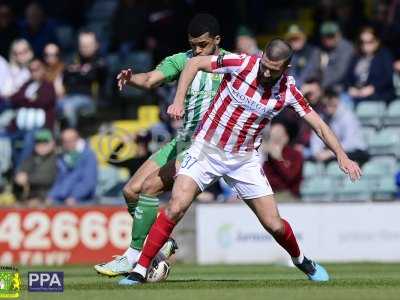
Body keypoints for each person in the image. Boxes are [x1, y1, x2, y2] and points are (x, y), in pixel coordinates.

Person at [123, 38, 362, 285]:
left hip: (243, 160)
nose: (266, 72)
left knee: (274, 225)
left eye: (274, 69)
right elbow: (194, 63)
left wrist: (342, 156)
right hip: (206, 150)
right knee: (175, 206)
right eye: (265, 65)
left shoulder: (289, 90)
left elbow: (320, 125)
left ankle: (302, 260)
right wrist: (178, 99)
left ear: (286, 68)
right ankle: (139, 270)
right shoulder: (242, 63)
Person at [94, 14, 228, 280]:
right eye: (194, 44)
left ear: (217, 40)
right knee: (131, 190)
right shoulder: (182, 59)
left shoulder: (230, 64)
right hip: (183, 141)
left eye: (203, 44)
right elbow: (151, 79)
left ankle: (132, 257)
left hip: (207, 146)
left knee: (149, 188)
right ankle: (162, 243)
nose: (198, 50)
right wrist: (132, 78)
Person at [10, 58, 56, 168]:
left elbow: (44, 102)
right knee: (6, 139)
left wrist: (26, 100)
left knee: (29, 139)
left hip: (40, 127)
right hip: (20, 127)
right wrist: (30, 99)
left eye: (37, 69)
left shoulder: (48, 86)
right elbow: (14, 99)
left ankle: (19, 172)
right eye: (31, 70)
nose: (34, 72)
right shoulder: (26, 85)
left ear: (43, 69)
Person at [59, 31, 107, 128]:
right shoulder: (72, 59)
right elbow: (65, 76)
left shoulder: (100, 62)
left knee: (69, 107)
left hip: (89, 99)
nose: (85, 48)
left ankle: (71, 136)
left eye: (88, 45)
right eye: (82, 45)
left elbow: (100, 75)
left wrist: (79, 71)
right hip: (68, 97)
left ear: (96, 45)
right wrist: (77, 71)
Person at [310, 89, 369, 165]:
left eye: (331, 104)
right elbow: (316, 138)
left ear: (337, 100)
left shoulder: (348, 116)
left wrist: (330, 153)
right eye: (325, 104)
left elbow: (350, 142)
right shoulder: (323, 116)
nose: (328, 108)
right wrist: (317, 153)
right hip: (334, 152)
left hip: (356, 152)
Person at [47, 128, 97, 206]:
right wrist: (51, 196)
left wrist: (74, 196)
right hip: (62, 199)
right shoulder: (63, 156)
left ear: (78, 139)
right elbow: (59, 180)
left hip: (83, 200)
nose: (68, 143)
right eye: (65, 141)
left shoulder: (88, 155)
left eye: (71, 140)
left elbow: (88, 182)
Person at [346, 27, 394, 104]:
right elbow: (348, 77)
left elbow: (388, 78)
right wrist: (351, 88)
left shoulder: (384, 55)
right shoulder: (356, 57)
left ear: (376, 42)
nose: (365, 45)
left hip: (378, 95)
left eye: (369, 42)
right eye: (362, 42)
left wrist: (373, 88)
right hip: (356, 94)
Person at [13, 129, 57, 207]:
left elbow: (48, 178)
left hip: (48, 197)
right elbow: (21, 172)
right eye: (38, 142)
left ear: (52, 143)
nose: (41, 145)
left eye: (45, 142)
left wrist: (28, 178)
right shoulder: (31, 157)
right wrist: (18, 177)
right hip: (30, 197)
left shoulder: (56, 159)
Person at [263, 122, 303, 200]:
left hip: (287, 194)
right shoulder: (267, 154)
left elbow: (290, 176)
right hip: (267, 193)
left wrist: (278, 159)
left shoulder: (295, 155)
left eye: (278, 133)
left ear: (286, 137)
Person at [319, 22, 354, 91]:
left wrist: (319, 85)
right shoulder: (321, 49)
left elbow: (340, 73)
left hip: (343, 88)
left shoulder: (346, 48)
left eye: (331, 35)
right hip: (324, 87)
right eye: (325, 36)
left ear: (338, 35)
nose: (327, 39)